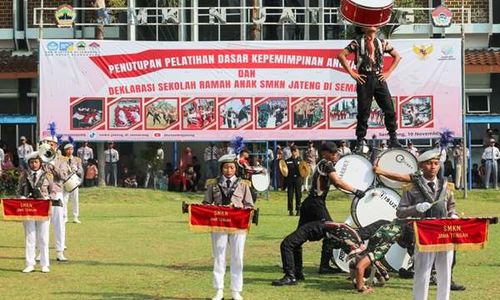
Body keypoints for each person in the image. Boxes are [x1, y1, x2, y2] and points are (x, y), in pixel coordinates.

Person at [378, 149, 457, 300]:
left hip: (444, 232)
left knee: (445, 271)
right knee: (423, 271)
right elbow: (400, 212)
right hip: (423, 234)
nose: (433, 167)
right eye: (429, 164)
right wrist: (416, 208)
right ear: (421, 166)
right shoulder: (412, 187)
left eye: (436, 163)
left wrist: (453, 214)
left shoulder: (445, 186)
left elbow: (451, 206)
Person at [298, 142, 365, 274]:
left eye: (336, 153)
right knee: (332, 231)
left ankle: (295, 266)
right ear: (325, 154)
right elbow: (337, 182)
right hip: (315, 203)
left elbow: (338, 183)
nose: (335, 156)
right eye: (333, 154)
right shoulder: (326, 164)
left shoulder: (325, 164)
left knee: (298, 236)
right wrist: (356, 190)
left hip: (310, 203)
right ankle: (324, 266)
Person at [337, 26, 402, 150]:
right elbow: (341, 56)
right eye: (368, 24)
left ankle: (393, 137)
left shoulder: (382, 43)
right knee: (363, 110)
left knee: (389, 108)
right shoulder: (357, 42)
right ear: (363, 28)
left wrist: (388, 72)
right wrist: (353, 73)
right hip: (364, 77)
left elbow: (397, 56)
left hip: (378, 77)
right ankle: (360, 140)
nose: (373, 26)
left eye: (375, 25)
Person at [203, 154, 254, 300]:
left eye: (231, 167)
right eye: (225, 167)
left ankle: (236, 291)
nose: (228, 170)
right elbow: (206, 203)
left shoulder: (243, 184)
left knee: (237, 256)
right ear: (221, 169)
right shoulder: (213, 184)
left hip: (238, 225)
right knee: (219, 256)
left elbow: (250, 205)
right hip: (219, 225)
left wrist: (240, 210)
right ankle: (219, 290)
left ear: (235, 169)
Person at [16, 152, 56, 273]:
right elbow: (18, 191)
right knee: (30, 236)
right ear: (29, 164)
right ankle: (30, 263)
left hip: (43, 208)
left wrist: (49, 198)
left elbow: (53, 190)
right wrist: (21, 197)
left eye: (36, 162)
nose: (34, 164)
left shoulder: (47, 175)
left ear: (40, 163)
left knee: (43, 237)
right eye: (32, 162)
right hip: (28, 209)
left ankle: (44, 264)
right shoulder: (24, 175)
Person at [41, 135, 69, 262]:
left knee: (59, 223)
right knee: (41, 224)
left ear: (56, 146)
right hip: (42, 194)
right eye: (47, 143)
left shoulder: (62, 160)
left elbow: (63, 176)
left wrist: (53, 165)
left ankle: (59, 251)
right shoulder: (40, 157)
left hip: (56, 192)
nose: (49, 146)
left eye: (52, 144)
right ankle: (41, 251)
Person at [62, 143, 83, 224]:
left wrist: (77, 170)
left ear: (73, 150)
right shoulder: (62, 159)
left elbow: (81, 171)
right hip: (65, 181)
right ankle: (65, 217)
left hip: (74, 182)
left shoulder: (77, 159)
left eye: (71, 149)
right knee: (64, 200)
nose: (69, 151)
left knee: (75, 199)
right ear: (65, 151)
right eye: (67, 149)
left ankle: (75, 217)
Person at [285, 146, 302, 216]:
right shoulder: (287, 161)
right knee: (290, 195)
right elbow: (284, 170)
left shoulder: (301, 161)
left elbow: (304, 170)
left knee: (298, 195)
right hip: (290, 179)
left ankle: (298, 210)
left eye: (296, 151)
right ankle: (290, 210)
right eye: (293, 151)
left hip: (298, 179)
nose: (294, 153)